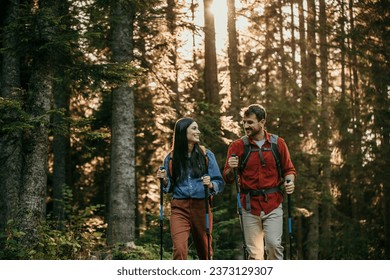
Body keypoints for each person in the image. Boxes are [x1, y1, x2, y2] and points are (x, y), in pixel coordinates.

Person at [223, 104, 296, 260]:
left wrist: (290, 182)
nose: (246, 126)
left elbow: (289, 169)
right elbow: (228, 178)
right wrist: (231, 169)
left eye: (250, 122)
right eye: (244, 122)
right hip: (249, 206)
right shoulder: (237, 146)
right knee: (255, 254)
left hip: (273, 203)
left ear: (262, 122)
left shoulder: (278, 144)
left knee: (274, 245)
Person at [156, 117, 224, 260]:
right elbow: (168, 187)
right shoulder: (171, 158)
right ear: (182, 132)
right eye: (194, 128)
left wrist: (211, 184)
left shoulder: (206, 155)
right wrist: (164, 180)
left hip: (202, 207)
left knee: (205, 252)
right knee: (179, 250)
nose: (198, 132)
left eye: (197, 128)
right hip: (179, 208)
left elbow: (219, 181)